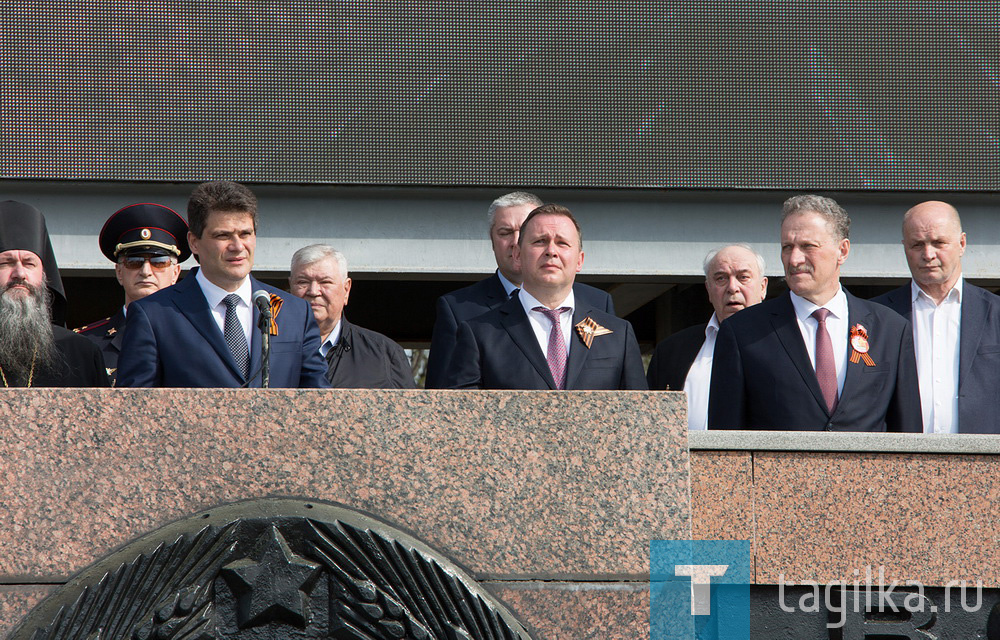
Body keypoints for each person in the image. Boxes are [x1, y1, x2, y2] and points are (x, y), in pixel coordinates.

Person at [708, 195, 921, 431]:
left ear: (842, 250)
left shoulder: (890, 329)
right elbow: (726, 443)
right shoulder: (743, 331)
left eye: (808, 246)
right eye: (787, 247)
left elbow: (908, 439)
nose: (795, 259)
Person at [116, 182, 328, 388]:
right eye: (223, 235)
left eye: (245, 234)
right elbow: (136, 407)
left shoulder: (295, 312)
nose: (237, 246)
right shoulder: (154, 314)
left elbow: (320, 400)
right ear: (194, 242)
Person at [444, 204, 646, 390]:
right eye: (540, 241)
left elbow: (640, 415)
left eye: (562, 243)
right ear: (518, 256)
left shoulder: (619, 334)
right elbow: (461, 417)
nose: (551, 251)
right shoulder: (479, 334)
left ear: (579, 260)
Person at [872, 201, 1000, 434]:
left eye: (938, 243)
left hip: (984, 463)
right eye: (917, 245)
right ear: (904, 247)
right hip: (897, 461)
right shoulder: (875, 317)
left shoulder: (996, 313)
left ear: (962, 243)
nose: (928, 254)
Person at [647, 243, 767, 429]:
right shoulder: (671, 351)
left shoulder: (788, 344)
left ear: (763, 287)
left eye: (743, 277)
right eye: (721, 278)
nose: (732, 287)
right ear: (708, 289)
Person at [75, 203, 189, 384]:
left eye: (159, 262)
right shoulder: (84, 343)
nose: (146, 271)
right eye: (134, 261)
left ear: (175, 273)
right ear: (119, 272)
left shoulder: (197, 338)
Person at [0, 201, 108, 387]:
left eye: (29, 263)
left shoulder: (81, 352)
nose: (19, 274)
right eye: (6, 263)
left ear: (44, 275)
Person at [289, 244, 415, 388]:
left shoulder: (384, 354)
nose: (313, 291)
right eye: (303, 282)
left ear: (346, 289)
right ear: (290, 287)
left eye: (325, 282)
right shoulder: (267, 347)